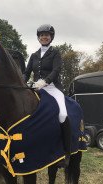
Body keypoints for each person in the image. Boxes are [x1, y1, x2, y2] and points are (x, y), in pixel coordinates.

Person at [24, 24, 71, 158]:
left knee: (62, 114)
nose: (44, 37)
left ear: (51, 37)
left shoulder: (55, 53)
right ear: (38, 38)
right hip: (35, 87)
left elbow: (56, 70)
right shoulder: (33, 55)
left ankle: (66, 151)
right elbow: (26, 72)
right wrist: (22, 82)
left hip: (52, 88)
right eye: (42, 35)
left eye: (47, 35)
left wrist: (45, 82)